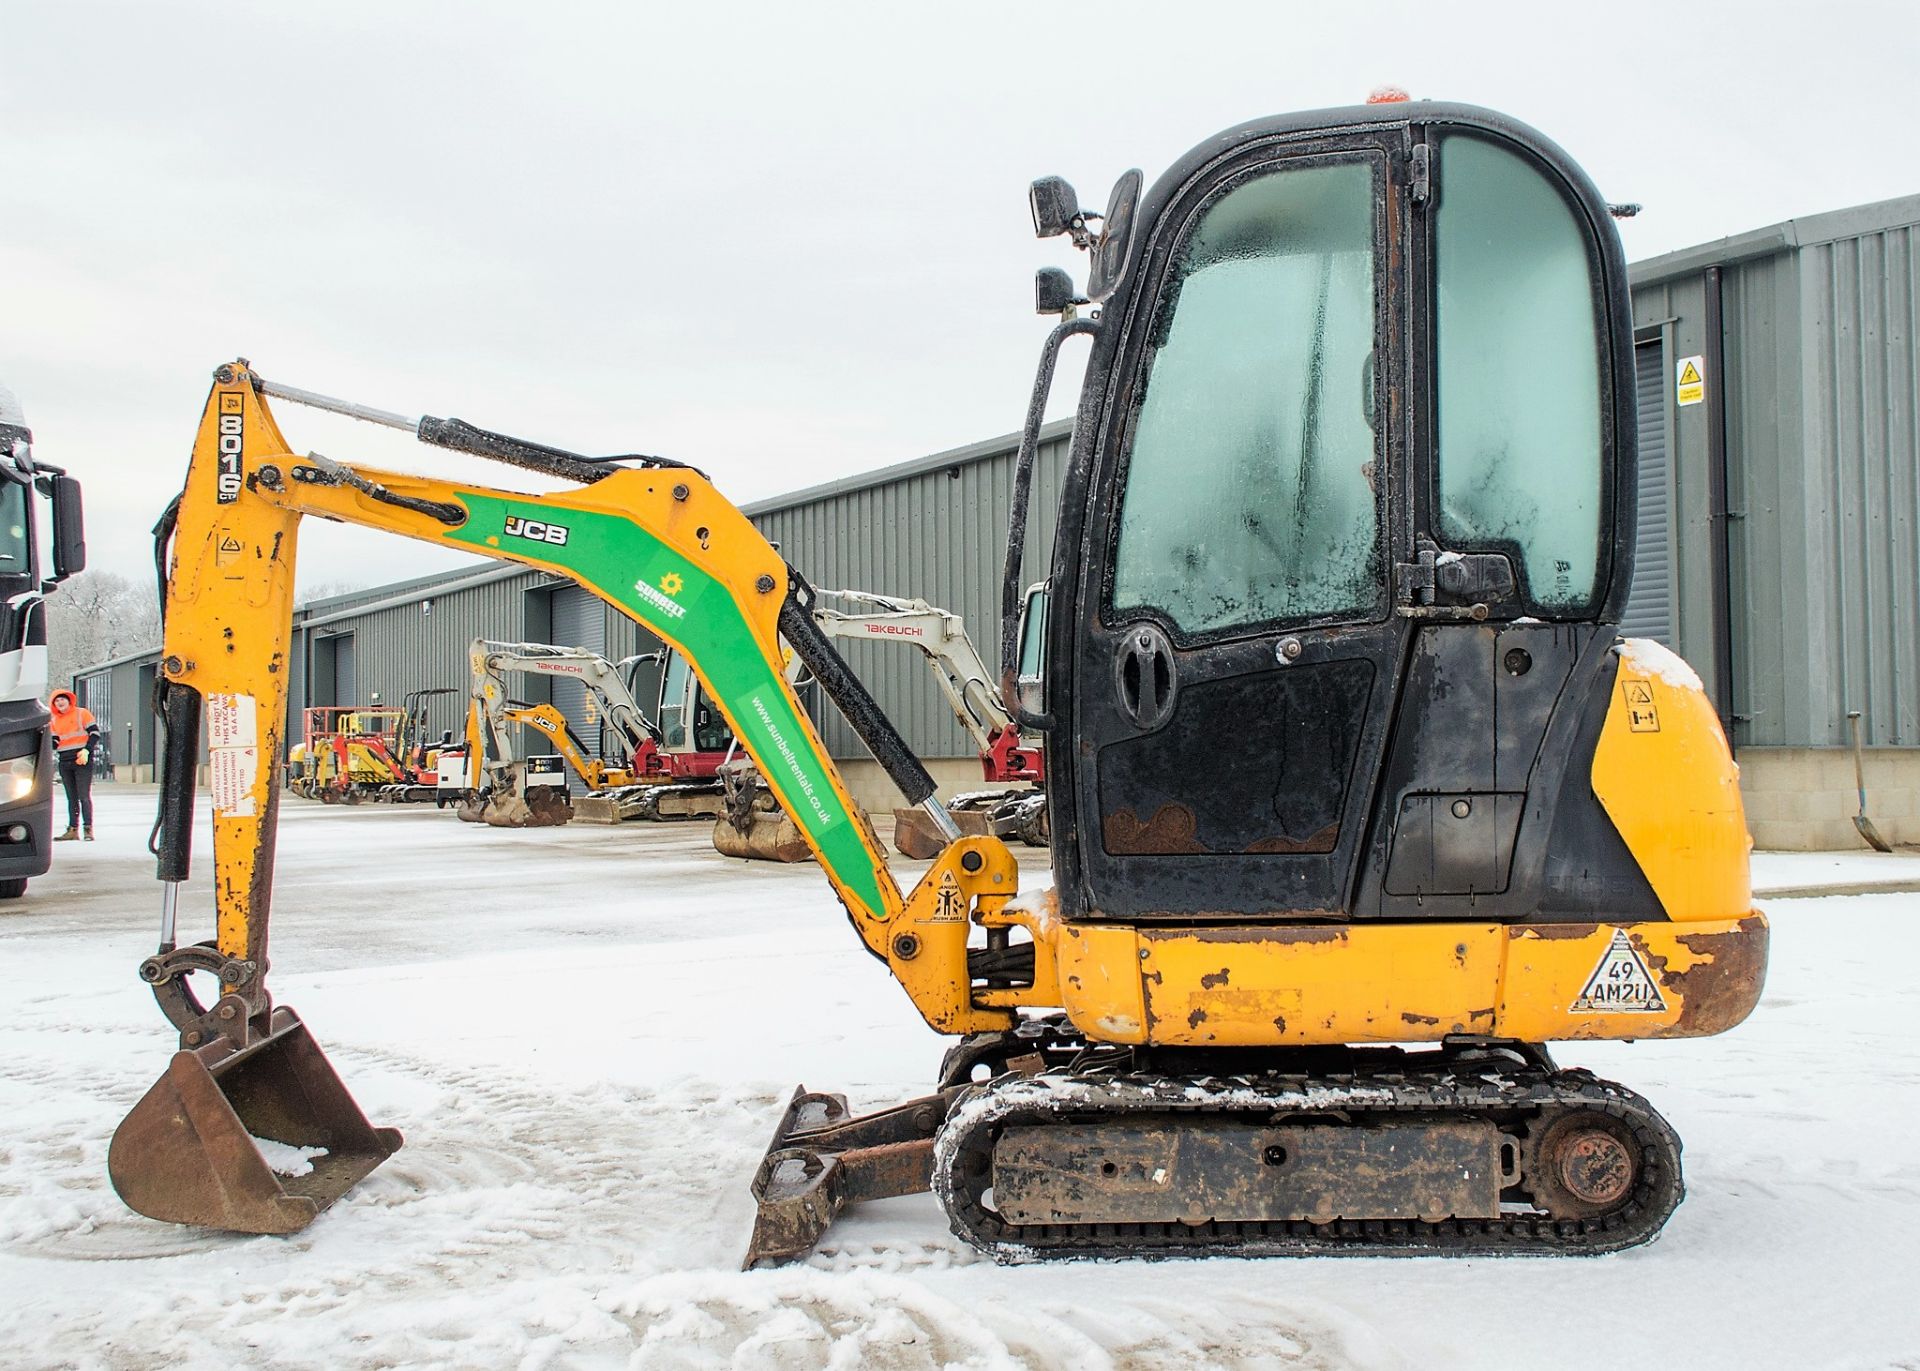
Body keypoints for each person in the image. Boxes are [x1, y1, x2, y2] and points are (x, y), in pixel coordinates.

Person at [48, 689, 99, 842]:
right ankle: (73, 829)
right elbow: (55, 742)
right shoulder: (54, 720)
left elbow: (95, 733)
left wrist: (87, 750)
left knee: (84, 796)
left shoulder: (81, 713)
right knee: (71, 798)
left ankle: (88, 828)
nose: (60, 702)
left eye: (62, 699)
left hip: (81, 759)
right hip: (65, 761)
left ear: (69, 700)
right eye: (57, 701)